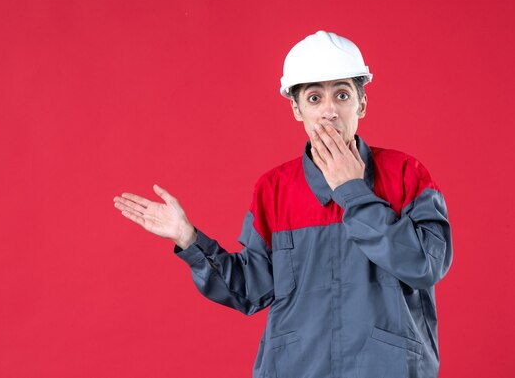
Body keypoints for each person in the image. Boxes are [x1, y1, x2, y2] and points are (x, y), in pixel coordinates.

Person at [113, 30, 453, 378]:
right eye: (314, 98)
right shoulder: (274, 189)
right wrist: (188, 239)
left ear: (361, 104)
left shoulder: (406, 175)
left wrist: (353, 190)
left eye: (342, 94)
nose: (329, 112)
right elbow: (251, 291)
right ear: (296, 109)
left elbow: (425, 266)